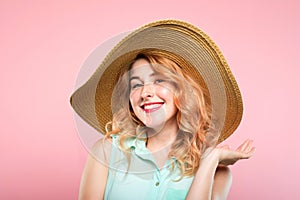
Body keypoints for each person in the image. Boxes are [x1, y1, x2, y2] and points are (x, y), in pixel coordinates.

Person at [70, 20, 255, 200]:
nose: (145, 92)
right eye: (136, 85)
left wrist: (209, 160)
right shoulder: (106, 152)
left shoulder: (218, 173)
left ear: (183, 91)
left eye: (159, 80)